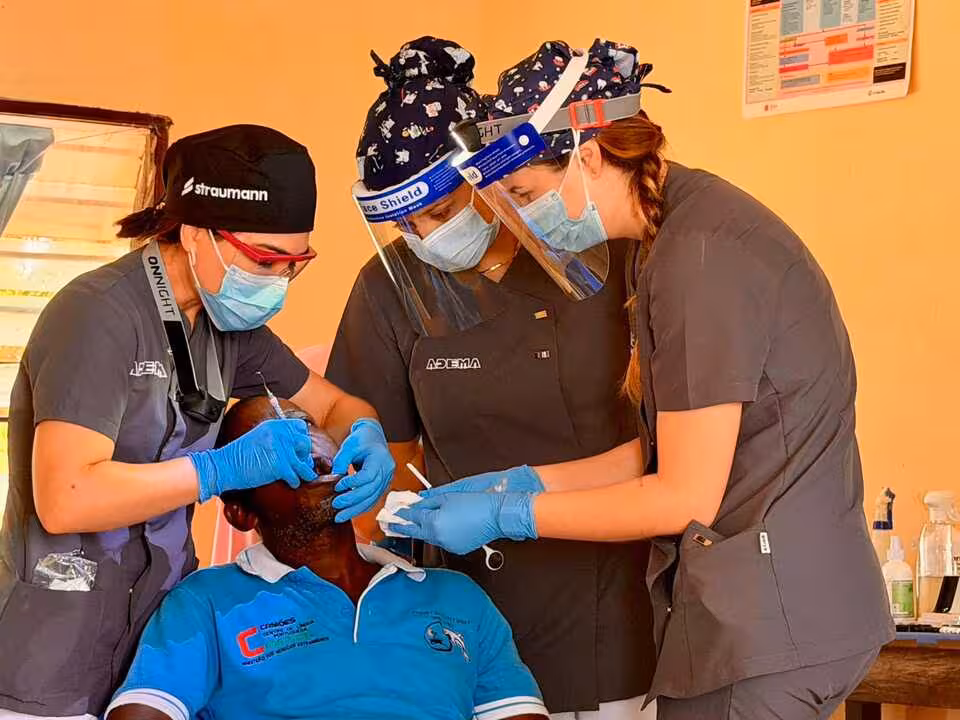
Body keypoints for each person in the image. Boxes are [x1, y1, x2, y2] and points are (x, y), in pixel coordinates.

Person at [393, 39, 895, 719]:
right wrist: (524, 479)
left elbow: (680, 496)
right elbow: (659, 452)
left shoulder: (701, 257)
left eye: (524, 194)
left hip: (769, 624)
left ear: (589, 155)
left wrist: (510, 515)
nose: (519, 216)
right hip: (779, 613)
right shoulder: (676, 236)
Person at [0, 125, 395, 720]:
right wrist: (219, 468)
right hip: (57, 645)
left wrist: (367, 436)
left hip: (158, 632)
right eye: (264, 259)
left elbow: (337, 406)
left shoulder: (227, 326)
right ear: (193, 233)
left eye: (295, 263)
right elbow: (66, 497)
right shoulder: (98, 315)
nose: (278, 281)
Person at [327, 37, 657, 718]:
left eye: (441, 212)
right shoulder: (388, 289)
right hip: (457, 615)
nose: (425, 235)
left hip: (606, 614)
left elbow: (672, 447)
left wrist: (516, 500)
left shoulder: (603, 251)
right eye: (405, 222)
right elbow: (374, 455)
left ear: (490, 173)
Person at [105, 396, 548, 720]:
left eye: (304, 424)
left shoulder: (456, 596)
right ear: (240, 512)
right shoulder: (206, 603)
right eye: (267, 447)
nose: (304, 445)